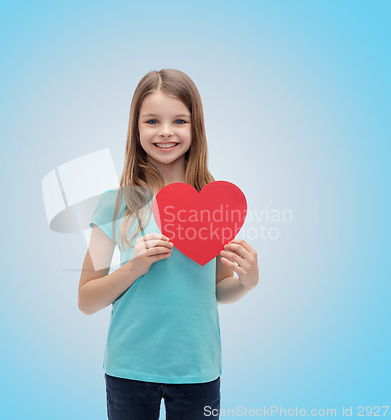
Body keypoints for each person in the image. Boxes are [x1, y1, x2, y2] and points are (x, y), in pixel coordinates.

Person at [78, 69, 259, 420]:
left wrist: (246, 283)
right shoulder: (116, 203)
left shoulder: (217, 203)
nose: (165, 131)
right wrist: (134, 267)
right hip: (129, 369)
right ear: (137, 128)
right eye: (152, 121)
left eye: (179, 120)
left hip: (197, 370)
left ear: (196, 128)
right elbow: (86, 300)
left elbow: (216, 290)